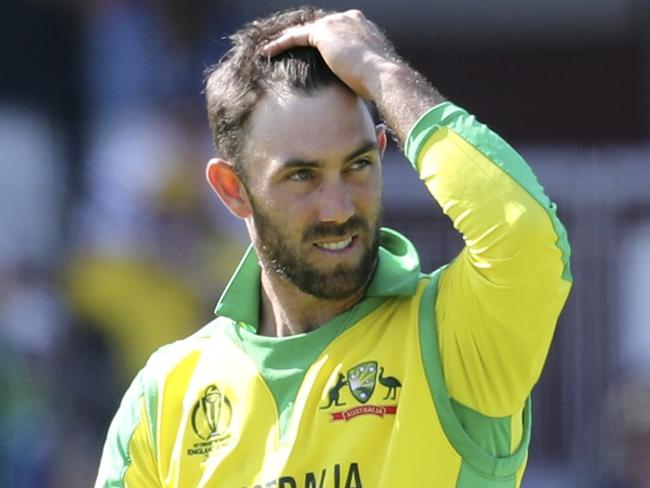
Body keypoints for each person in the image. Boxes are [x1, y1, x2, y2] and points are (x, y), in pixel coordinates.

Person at [95, 6, 572, 487]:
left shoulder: (454, 337)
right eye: (302, 176)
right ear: (232, 189)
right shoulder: (164, 397)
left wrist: (380, 71)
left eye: (358, 166)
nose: (338, 208)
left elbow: (526, 236)